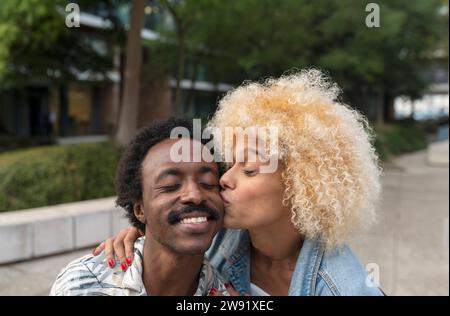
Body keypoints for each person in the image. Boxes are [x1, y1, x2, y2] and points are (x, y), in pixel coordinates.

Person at [94, 69, 384, 296]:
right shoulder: (218, 234)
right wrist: (143, 234)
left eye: (250, 169)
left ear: (302, 185)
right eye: (229, 164)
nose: (224, 179)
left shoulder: (344, 286)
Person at [51, 118, 230, 296]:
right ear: (139, 210)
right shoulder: (82, 286)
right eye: (170, 185)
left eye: (208, 183)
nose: (195, 195)